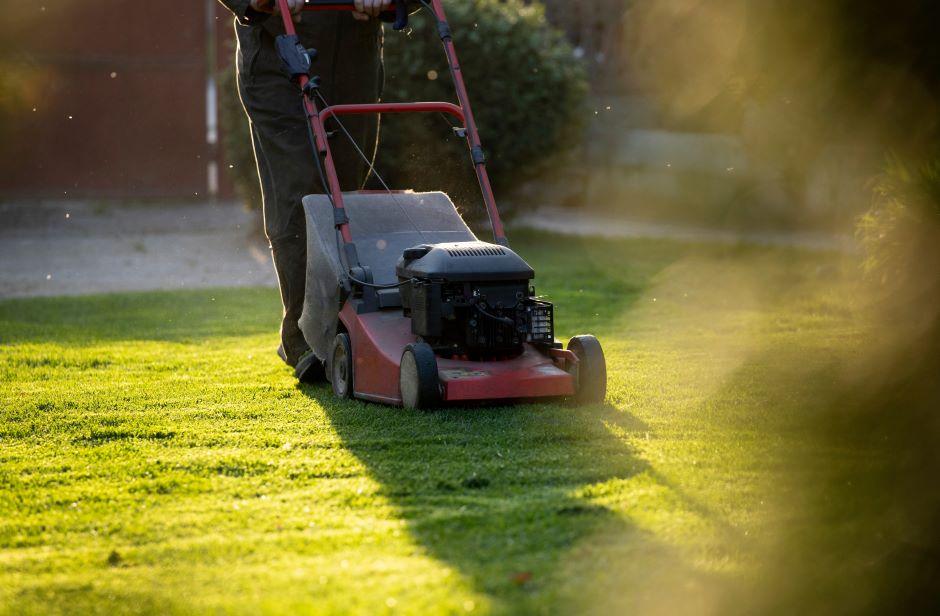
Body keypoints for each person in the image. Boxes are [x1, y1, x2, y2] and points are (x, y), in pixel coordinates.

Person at [217, 0, 392, 381]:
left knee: (345, 195)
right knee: (298, 192)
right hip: (277, 53)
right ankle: (304, 338)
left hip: (354, 55)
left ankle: (343, 330)